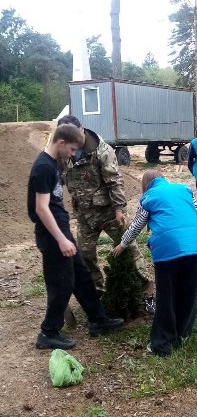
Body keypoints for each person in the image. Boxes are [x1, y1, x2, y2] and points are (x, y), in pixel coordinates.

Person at [27, 124, 124, 350]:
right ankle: (48, 332)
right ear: (60, 142)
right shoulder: (43, 167)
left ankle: (98, 320)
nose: (72, 155)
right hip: (51, 234)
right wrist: (61, 239)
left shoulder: (53, 162)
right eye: (71, 149)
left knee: (81, 274)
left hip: (60, 229)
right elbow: (41, 208)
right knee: (62, 282)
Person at [57, 115, 154, 314]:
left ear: (82, 129)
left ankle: (147, 294)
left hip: (108, 211)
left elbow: (115, 181)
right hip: (84, 215)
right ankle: (97, 296)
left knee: (129, 248)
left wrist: (119, 209)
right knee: (85, 256)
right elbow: (57, 179)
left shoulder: (102, 150)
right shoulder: (63, 152)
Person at [112, 170, 197, 357]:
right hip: (194, 246)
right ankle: (183, 334)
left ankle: (162, 344)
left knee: (166, 296)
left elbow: (136, 226)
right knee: (188, 292)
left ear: (146, 184)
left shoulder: (149, 197)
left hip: (167, 250)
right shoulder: (184, 189)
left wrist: (122, 245)